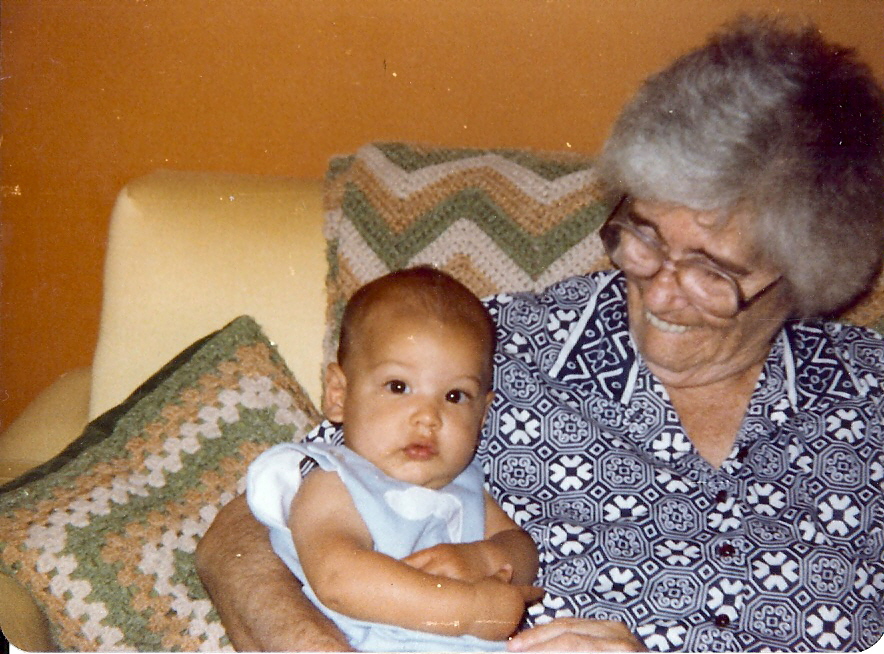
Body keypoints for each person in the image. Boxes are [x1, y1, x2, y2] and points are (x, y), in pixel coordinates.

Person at [197, 15, 884, 652]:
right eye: (642, 236)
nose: (661, 290)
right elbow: (241, 539)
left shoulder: (869, 400)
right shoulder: (482, 352)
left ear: (804, 272)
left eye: (712, 271)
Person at [245, 267, 541, 651]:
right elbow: (338, 578)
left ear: (482, 416)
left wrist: (486, 557)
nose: (428, 417)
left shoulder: (465, 487)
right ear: (338, 394)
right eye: (399, 387)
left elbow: (521, 547)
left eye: (455, 396)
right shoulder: (333, 481)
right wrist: (468, 610)